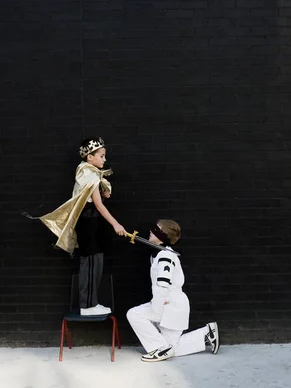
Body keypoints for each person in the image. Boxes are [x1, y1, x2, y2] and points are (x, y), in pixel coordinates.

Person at [25, 137, 126, 316]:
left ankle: (91, 303)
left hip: (92, 222)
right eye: (101, 156)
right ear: (90, 157)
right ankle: (87, 305)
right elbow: (98, 205)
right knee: (90, 262)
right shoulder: (88, 173)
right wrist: (116, 224)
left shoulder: (89, 173)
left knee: (96, 261)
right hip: (88, 223)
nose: (104, 160)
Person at [126, 220, 220, 362]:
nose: (151, 231)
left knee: (134, 314)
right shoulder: (162, 253)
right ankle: (206, 334)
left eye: (156, 230)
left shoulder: (165, 256)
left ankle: (159, 348)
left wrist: (157, 309)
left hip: (169, 305)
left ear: (163, 236)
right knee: (172, 347)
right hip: (173, 305)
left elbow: (163, 285)